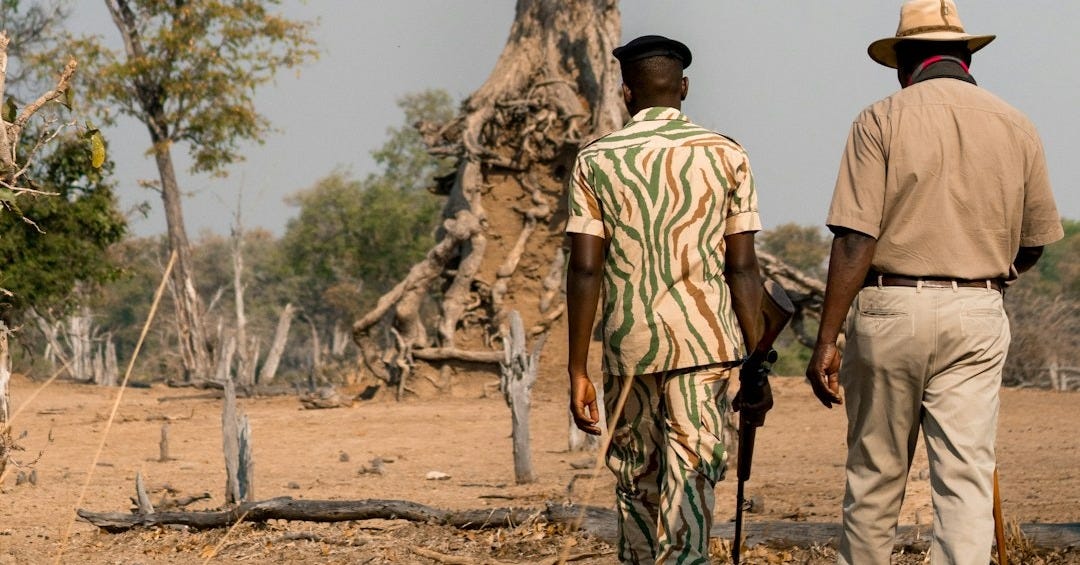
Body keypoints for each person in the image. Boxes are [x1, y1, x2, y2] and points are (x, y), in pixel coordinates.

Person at [805, 1, 1064, 563]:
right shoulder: (1016, 123)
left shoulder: (880, 118)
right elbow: (1037, 239)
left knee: (875, 478)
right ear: (967, 56)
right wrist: (986, 274)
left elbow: (854, 238)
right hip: (978, 308)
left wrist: (827, 339)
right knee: (965, 480)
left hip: (891, 307)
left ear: (904, 64)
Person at [565, 34, 766, 564]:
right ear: (683, 87)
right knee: (692, 480)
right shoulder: (726, 154)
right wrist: (757, 358)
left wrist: (576, 368)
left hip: (629, 347)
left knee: (635, 479)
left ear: (625, 92)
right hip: (706, 346)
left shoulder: (595, 160)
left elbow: (585, 268)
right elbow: (742, 267)